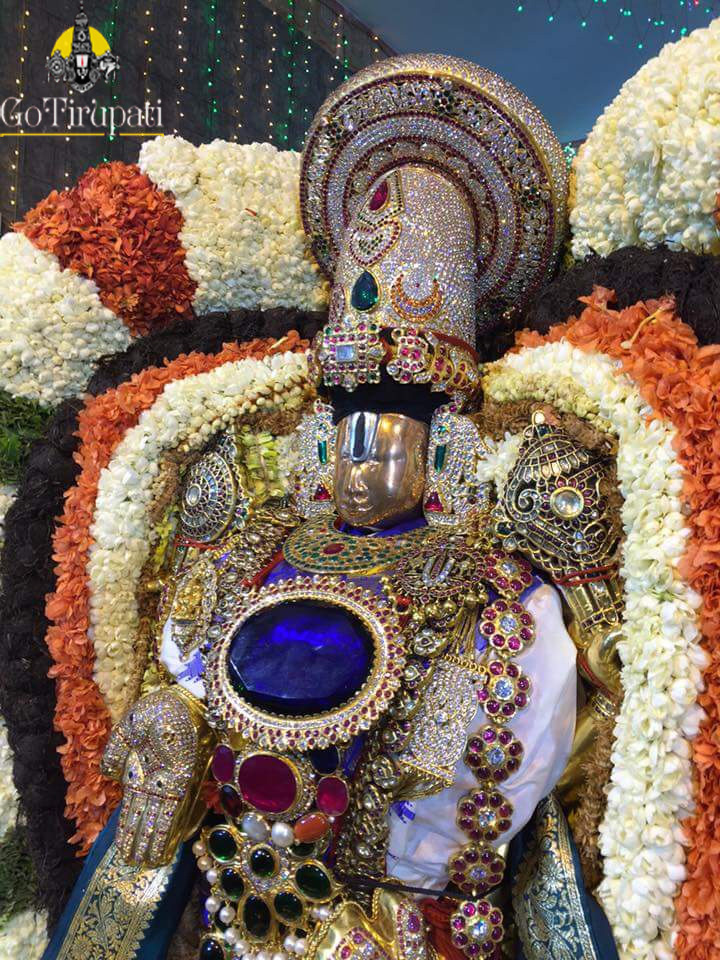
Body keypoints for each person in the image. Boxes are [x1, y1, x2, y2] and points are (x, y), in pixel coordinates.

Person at [43, 55, 619, 960]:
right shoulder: (254, 544)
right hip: (239, 907)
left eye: (389, 435)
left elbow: (524, 784)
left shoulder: (504, 593)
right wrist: (174, 724)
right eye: (348, 431)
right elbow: (185, 678)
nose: (362, 463)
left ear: (443, 443)